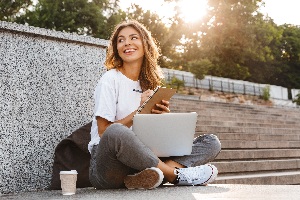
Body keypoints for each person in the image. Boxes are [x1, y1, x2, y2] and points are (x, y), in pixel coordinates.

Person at [88, 19, 221, 190]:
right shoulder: (110, 80)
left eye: (133, 37)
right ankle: (173, 174)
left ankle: (147, 177)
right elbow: (104, 131)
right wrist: (140, 112)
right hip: (108, 166)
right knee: (116, 131)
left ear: (145, 44)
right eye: (120, 40)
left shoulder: (148, 85)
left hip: (144, 159)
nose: (127, 43)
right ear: (116, 48)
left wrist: (161, 119)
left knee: (211, 142)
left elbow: (148, 133)